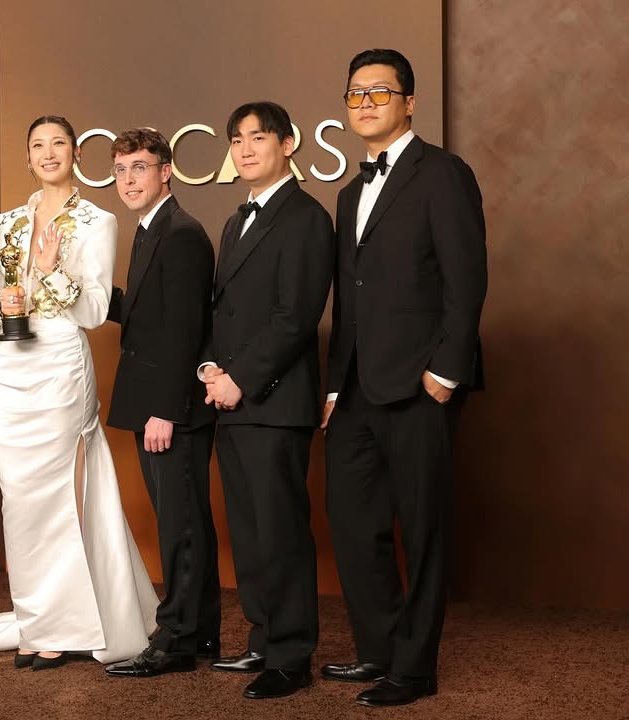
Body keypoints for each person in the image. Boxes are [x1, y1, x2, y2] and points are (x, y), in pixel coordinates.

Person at [320, 49, 486, 707]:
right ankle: (381, 650)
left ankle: (414, 669)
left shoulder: (442, 173)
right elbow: (350, 298)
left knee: (422, 530)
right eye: (355, 93)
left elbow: (466, 277)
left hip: (421, 383)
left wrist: (445, 371)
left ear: (409, 103)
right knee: (354, 524)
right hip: (357, 388)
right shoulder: (349, 192)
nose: (364, 103)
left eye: (379, 92)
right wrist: (335, 386)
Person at [0, 115, 157, 670]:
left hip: (59, 369)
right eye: (37, 145)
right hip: (8, 368)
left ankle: (62, 625)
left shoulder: (98, 221)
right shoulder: (7, 222)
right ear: (27, 157)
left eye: (58, 144)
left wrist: (51, 273)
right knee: (19, 500)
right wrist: (0, 302)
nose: (48, 152)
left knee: (57, 498)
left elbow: (96, 310)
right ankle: (35, 619)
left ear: (76, 153)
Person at [200, 102, 334, 699]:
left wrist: (242, 379)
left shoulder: (306, 217)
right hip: (232, 399)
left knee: (280, 531)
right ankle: (263, 637)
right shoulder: (237, 219)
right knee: (250, 531)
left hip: (274, 402)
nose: (246, 148)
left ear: (287, 143)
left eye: (258, 136)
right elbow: (223, 311)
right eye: (237, 139)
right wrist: (211, 368)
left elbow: (295, 316)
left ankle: (291, 655)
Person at [101, 128, 221, 678]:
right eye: (121, 170)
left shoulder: (182, 234)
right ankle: (200, 631)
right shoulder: (152, 229)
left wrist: (166, 409)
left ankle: (176, 640)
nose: (129, 180)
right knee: (184, 521)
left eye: (140, 168)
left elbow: (185, 331)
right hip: (155, 399)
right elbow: (149, 314)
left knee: (181, 526)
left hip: (171, 407)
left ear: (166, 171)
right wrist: (83, 291)